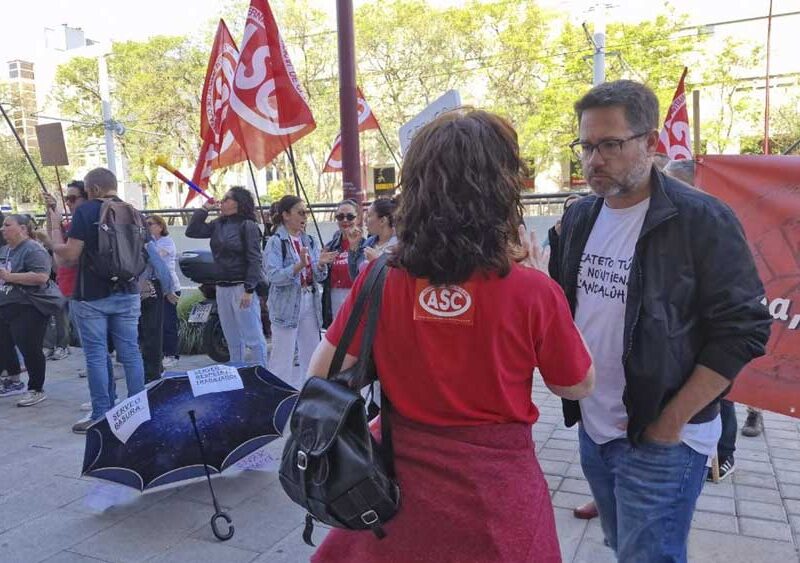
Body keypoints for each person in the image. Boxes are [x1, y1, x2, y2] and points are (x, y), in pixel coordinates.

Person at [309, 109, 595, 562]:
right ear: (502, 188)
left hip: (396, 487)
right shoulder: (533, 288)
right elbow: (575, 383)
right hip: (494, 491)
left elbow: (322, 370)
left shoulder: (382, 275)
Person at [550, 80, 771, 561]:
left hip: (664, 440)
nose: (594, 160)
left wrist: (671, 421)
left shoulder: (702, 218)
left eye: (610, 144)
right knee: (619, 544)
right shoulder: (581, 218)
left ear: (650, 143)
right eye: (586, 146)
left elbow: (746, 329)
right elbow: (565, 311)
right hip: (595, 429)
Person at [49, 167, 147, 434]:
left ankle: (102, 413)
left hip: (91, 295)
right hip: (127, 291)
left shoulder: (86, 211)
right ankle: (139, 410)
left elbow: (69, 255)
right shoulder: (133, 211)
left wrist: (50, 243)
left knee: (96, 355)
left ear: (91, 189)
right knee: (130, 353)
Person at [186, 186, 268, 368]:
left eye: (226, 199)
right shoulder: (218, 224)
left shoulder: (248, 225)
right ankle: (237, 373)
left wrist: (249, 289)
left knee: (252, 336)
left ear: (238, 203)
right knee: (232, 336)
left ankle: (262, 374)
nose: (222, 202)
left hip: (241, 286)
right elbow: (192, 231)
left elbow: (255, 259)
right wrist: (204, 209)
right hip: (222, 286)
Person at [264, 195, 335, 390]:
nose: (305, 217)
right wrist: (298, 266)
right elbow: (273, 276)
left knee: (311, 352)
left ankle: (309, 394)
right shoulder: (276, 242)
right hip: (286, 304)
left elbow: (319, 277)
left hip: (309, 300)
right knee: (283, 356)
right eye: (300, 212)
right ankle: (278, 399)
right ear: (286, 215)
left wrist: (320, 265)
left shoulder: (309, 240)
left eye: (306, 212)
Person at [0, 214, 54, 406]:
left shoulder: (33, 249)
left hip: (28, 307)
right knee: (5, 344)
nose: (3, 229)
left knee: (30, 348)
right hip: (6, 305)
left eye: (8, 225)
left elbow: (41, 277)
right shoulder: (6, 250)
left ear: (23, 228)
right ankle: (14, 381)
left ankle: (36, 388)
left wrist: (10, 277)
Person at [321, 199, 365, 326]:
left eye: (350, 216)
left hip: (356, 297)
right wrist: (320, 265)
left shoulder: (366, 245)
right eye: (340, 217)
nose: (345, 220)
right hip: (333, 299)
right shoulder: (330, 246)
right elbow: (320, 279)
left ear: (358, 218)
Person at [146, 215, 181, 368]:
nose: (148, 227)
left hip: (170, 287)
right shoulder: (150, 243)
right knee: (155, 323)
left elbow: (155, 257)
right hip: (155, 287)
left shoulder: (166, 242)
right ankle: (160, 353)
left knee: (168, 322)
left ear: (160, 226)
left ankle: (172, 354)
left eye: (150, 224)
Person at [360, 197, 398, 269]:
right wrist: (353, 248)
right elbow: (356, 276)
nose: (364, 220)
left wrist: (377, 261)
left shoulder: (400, 246)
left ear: (382, 221)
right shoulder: (368, 242)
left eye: (369, 215)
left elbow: (398, 277)